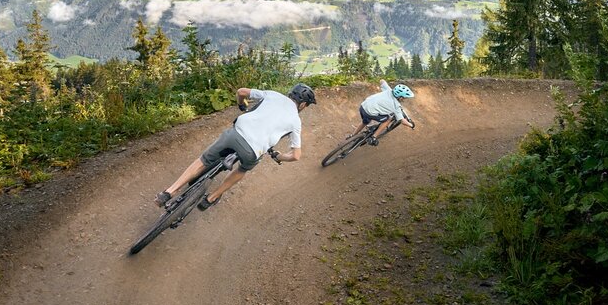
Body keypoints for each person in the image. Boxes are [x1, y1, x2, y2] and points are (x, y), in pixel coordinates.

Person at [155, 83, 316, 211]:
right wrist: (279, 156)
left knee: (203, 160)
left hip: (236, 134)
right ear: (302, 105)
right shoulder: (296, 121)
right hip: (253, 150)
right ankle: (211, 198)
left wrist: (241, 106)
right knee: (242, 169)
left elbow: (241, 92)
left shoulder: (273, 95)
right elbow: (296, 155)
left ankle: (169, 191)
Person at [349, 79, 415, 144]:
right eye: (404, 97)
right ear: (400, 97)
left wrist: (383, 81)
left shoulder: (388, 90)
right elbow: (402, 121)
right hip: (370, 113)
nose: (405, 99)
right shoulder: (396, 106)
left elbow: (382, 81)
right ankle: (373, 137)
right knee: (388, 119)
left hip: (363, 107)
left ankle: (353, 135)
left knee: (365, 122)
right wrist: (411, 125)